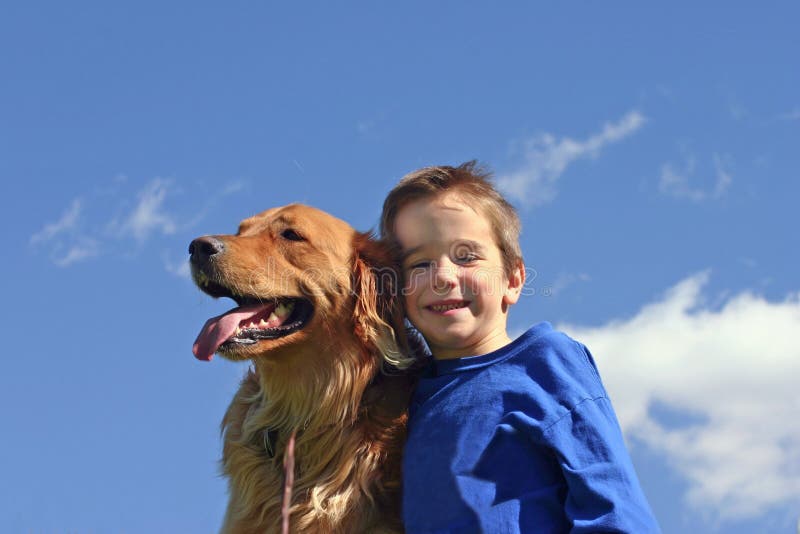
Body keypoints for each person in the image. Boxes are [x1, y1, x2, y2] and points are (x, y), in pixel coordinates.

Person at [380, 162, 660, 533]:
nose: (444, 276)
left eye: (466, 256)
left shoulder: (544, 363)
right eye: (419, 263)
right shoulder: (398, 401)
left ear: (513, 280)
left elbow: (612, 506)